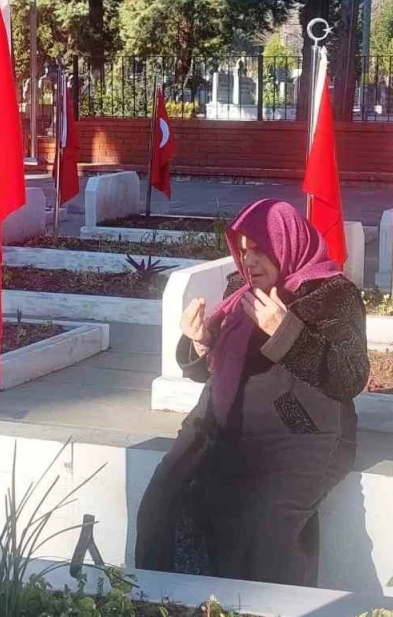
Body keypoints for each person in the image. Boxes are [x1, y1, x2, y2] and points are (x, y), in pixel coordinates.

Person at [135, 198, 369, 587]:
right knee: (162, 503)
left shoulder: (333, 295)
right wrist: (201, 343)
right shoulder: (238, 291)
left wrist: (285, 332)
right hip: (219, 426)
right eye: (243, 252)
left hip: (300, 434)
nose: (250, 262)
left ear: (286, 242)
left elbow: (350, 376)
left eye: (260, 249)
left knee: (264, 527)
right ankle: (166, 605)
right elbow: (214, 372)